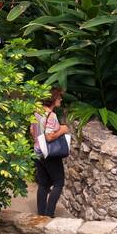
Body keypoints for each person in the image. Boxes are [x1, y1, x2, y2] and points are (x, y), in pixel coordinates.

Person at [31, 88, 69, 217]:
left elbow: (32, 131)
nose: (61, 100)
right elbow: (49, 137)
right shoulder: (51, 116)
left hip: (37, 152)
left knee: (43, 184)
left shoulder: (37, 112)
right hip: (50, 154)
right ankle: (49, 214)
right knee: (58, 183)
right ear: (53, 99)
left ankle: (41, 214)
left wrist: (38, 142)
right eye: (59, 98)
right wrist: (62, 130)